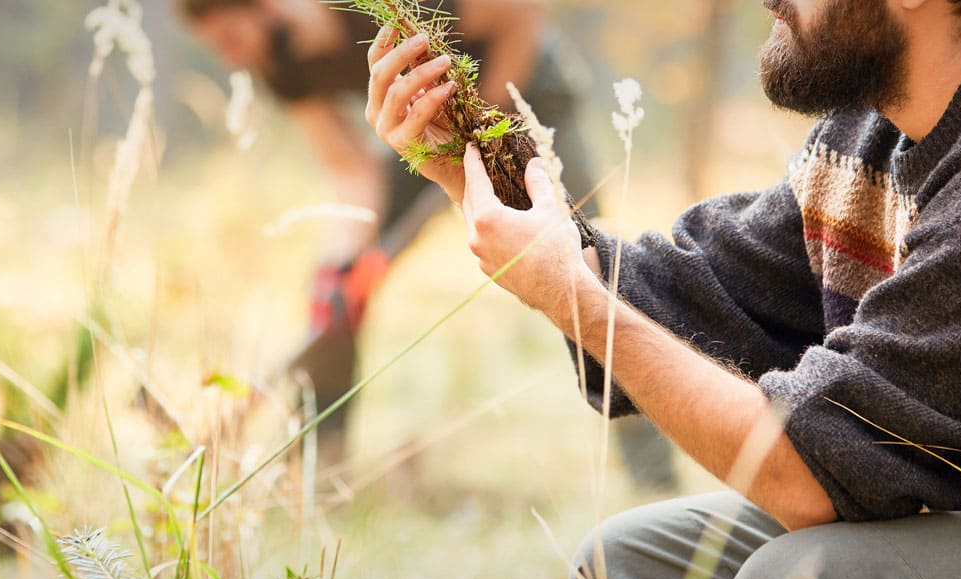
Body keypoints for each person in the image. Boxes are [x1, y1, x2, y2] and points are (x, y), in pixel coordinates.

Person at [366, 0, 961, 579]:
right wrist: (471, 170)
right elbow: (691, 295)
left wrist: (567, 293)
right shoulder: (868, 135)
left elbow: (806, 479)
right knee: (628, 569)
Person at [179, 0, 677, 490]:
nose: (230, 59)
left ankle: (652, 473)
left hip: (523, 99)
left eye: (229, 38)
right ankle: (316, 471)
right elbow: (352, 171)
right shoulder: (281, 66)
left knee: (590, 271)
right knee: (336, 290)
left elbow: (521, 12)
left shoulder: (382, 5)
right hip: (426, 128)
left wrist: (481, 137)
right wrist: (345, 265)